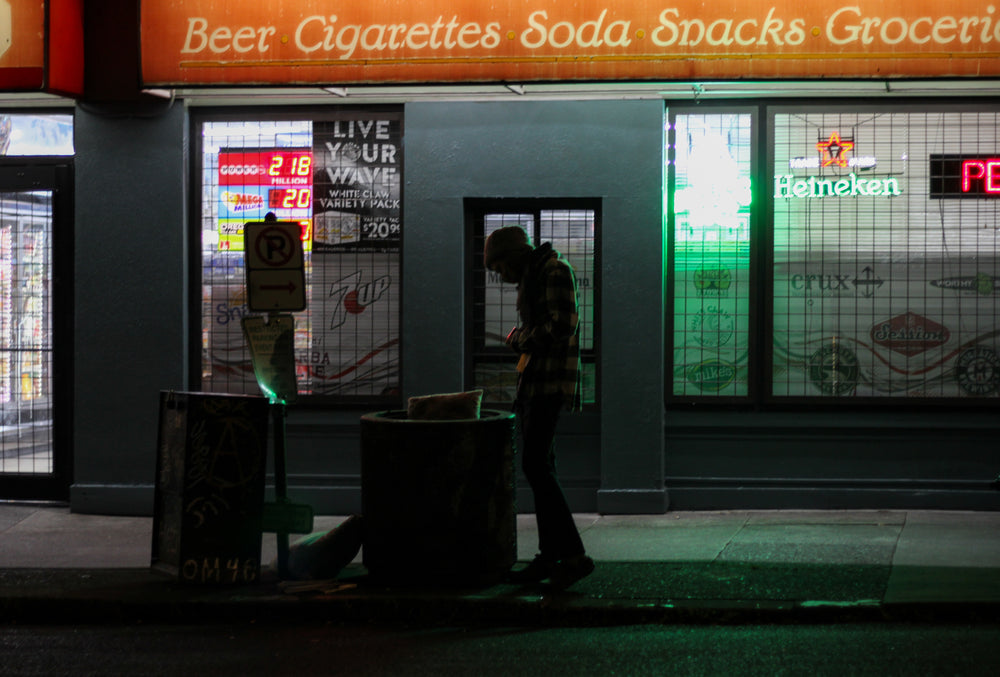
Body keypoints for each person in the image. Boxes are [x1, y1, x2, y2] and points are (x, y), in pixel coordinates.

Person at [483, 225, 595, 589]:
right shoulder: (535, 276)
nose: (501, 275)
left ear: (513, 255)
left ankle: (574, 556)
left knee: (535, 465)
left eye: (500, 267)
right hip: (535, 383)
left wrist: (520, 338)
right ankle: (551, 558)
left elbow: (563, 325)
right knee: (540, 465)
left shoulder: (554, 270)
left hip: (550, 382)